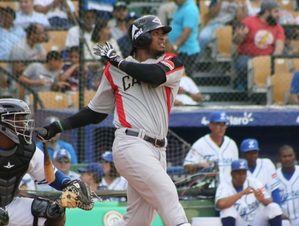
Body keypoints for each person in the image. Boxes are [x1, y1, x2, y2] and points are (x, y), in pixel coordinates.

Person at [39, 14, 191, 226]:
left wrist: (117, 60)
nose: (162, 37)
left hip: (158, 150)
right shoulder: (114, 70)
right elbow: (96, 112)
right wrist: (58, 126)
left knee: (139, 219)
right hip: (131, 144)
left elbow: (153, 75)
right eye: (156, 33)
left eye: (162, 33)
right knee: (167, 192)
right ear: (141, 38)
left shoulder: (171, 61)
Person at [0, 98, 79, 226]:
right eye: (17, 119)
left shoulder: (27, 149)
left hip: (10, 203)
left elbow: (52, 178)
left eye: (24, 119)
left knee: (54, 212)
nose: (24, 124)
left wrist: (71, 185)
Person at [233, 0, 285, 90]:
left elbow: (279, 47)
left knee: (280, 64)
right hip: (248, 56)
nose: (278, 15)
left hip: (268, 58)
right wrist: (240, 36)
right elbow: (236, 41)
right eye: (276, 11)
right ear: (266, 12)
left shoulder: (278, 27)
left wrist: (272, 61)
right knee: (242, 63)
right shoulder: (248, 22)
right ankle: (241, 84)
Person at [216, 159, 283, 226]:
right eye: (238, 173)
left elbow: (270, 201)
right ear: (232, 174)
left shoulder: (254, 182)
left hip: (256, 219)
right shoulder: (225, 185)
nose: (241, 176)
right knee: (227, 210)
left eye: (244, 172)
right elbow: (220, 204)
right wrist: (242, 193)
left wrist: (262, 200)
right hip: (239, 222)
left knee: (274, 207)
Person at [183, 111, 238, 182]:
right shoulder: (199, 144)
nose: (221, 128)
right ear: (210, 125)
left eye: (223, 124)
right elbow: (187, 167)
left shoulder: (231, 144)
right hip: (205, 189)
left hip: (227, 188)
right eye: (218, 124)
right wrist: (199, 166)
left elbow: (237, 168)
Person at [240, 138, 281, 205]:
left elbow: (275, 190)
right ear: (242, 154)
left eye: (254, 152)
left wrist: (279, 208)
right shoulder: (238, 169)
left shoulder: (267, 164)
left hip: (267, 206)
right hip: (247, 210)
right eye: (249, 153)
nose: (252, 155)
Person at [168, 0, 200, 77]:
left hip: (187, 52)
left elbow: (186, 32)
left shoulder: (190, 9)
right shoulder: (182, 7)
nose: (174, 1)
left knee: (186, 80)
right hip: (180, 51)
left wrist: (175, 46)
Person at [277, 145, 299, 226]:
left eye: (290, 155)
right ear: (279, 158)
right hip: (284, 220)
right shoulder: (274, 176)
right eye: (284, 156)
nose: (288, 159)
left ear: (294, 156)